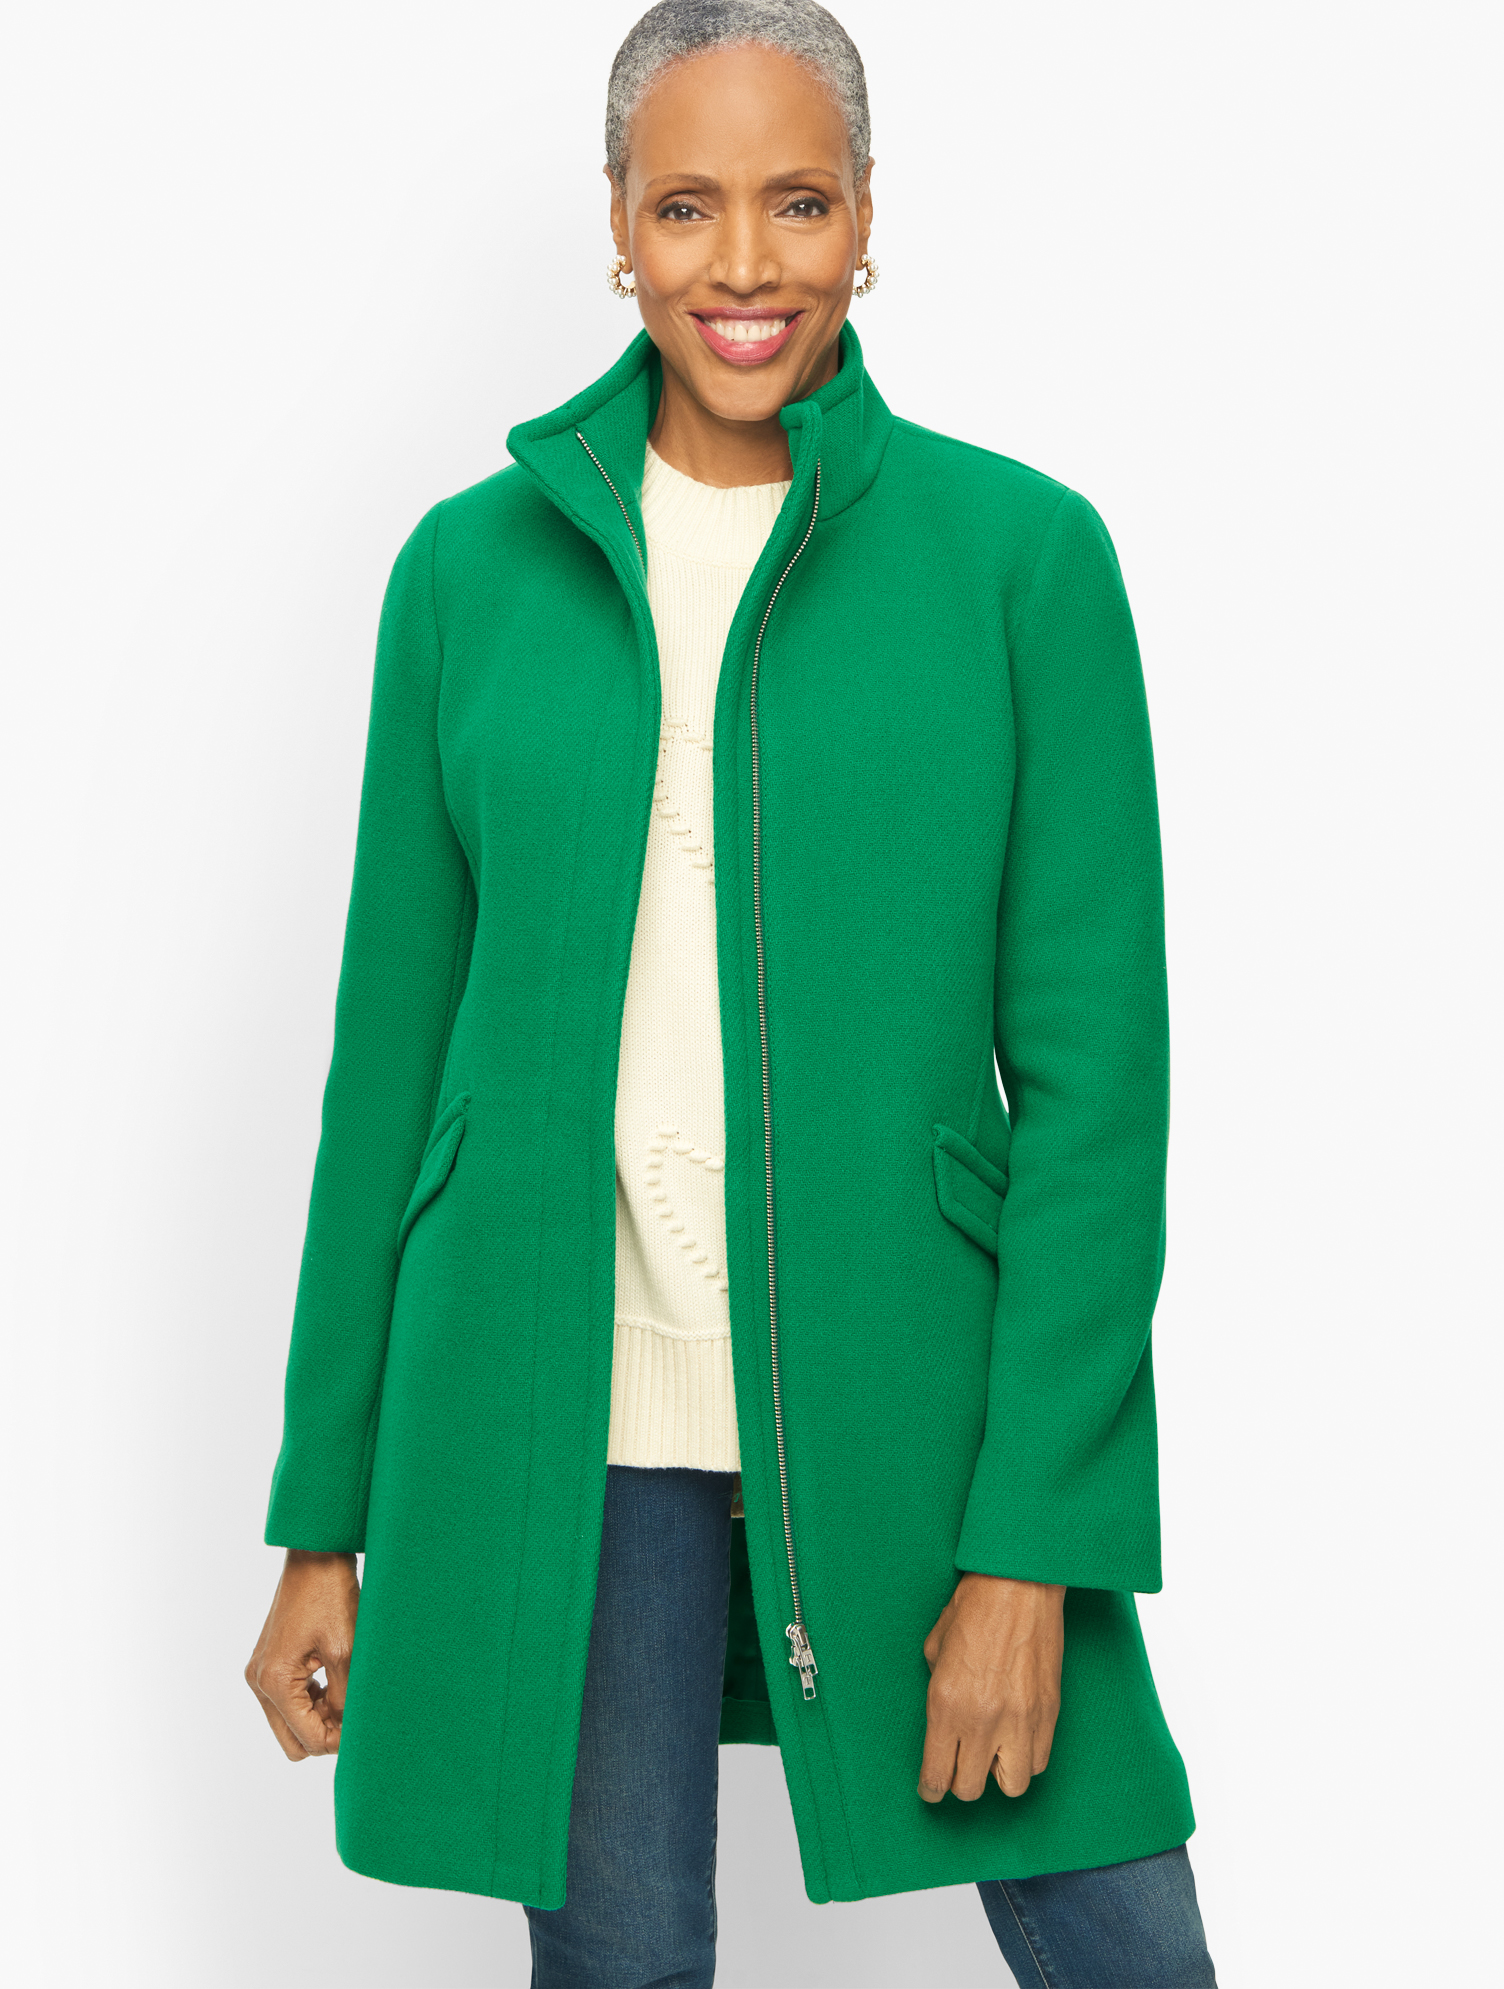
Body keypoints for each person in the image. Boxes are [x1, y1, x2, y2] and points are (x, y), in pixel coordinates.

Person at [244, 4, 1217, 1983]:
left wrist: (1034, 1537)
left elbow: (1095, 1089)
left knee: (1121, 1946)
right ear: (616, 221)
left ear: (866, 215)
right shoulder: (466, 577)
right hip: (557, 1425)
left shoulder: (1020, 560)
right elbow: (385, 1078)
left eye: (799, 201)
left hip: (917, 1401)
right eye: (687, 205)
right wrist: (321, 1516)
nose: (746, 264)